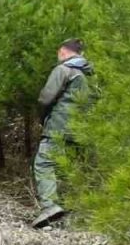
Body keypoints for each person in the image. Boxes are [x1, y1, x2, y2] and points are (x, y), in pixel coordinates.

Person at [32, 39, 95, 229]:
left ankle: (50, 207)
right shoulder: (91, 74)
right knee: (73, 168)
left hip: (59, 127)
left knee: (44, 163)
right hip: (84, 129)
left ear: (62, 52)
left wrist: (42, 119)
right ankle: (79, 211)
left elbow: (45, 98)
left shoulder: (64, 69)